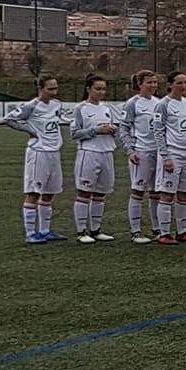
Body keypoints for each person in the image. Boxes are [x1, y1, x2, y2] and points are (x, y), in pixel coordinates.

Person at [3, 75, 66, 244]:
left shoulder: (57, 105)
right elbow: (9, 119)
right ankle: (30, 233)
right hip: (38, 152)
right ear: (40, 88)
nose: (54, 92)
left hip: (54, 152)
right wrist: (30, 130)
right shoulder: (31, 105)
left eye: (55, 88)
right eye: (50, 89)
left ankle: (45, 230)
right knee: (33, 192)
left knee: (49, 193)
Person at [69, 73, 120, 243]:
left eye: (103, 89)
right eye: (97, 89)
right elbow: (75, 134)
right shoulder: (81, 109)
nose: (101, 92)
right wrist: (96, 130)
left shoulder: (106, 108)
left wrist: (113, 130)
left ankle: (96, 230)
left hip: (107, 153)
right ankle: (81, 231)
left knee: (100, 193)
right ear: (88, 89)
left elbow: (111, 128)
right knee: (84, 192)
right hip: (89, 153)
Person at [154, 69, 186, 244]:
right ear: (170, 85)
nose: (183, 86)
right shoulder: (163, 105)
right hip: (172, 154)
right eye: (179, 82)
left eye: (185, 82)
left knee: (185, 194)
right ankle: (164, 233)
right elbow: (158, 132)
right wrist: (165, 157)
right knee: (167, 194)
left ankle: (183, 231)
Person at [116, 69, 163, 245]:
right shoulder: (132, 104)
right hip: (141, 152)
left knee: (156, 192)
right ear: (140, 84)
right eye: (149, 82)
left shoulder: (159, 103)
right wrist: (130, 150)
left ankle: (157, 229)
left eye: (155, 82)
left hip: (158, 152)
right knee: (138, 190)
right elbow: (124, 128)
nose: (153, 85)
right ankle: (135, 231)